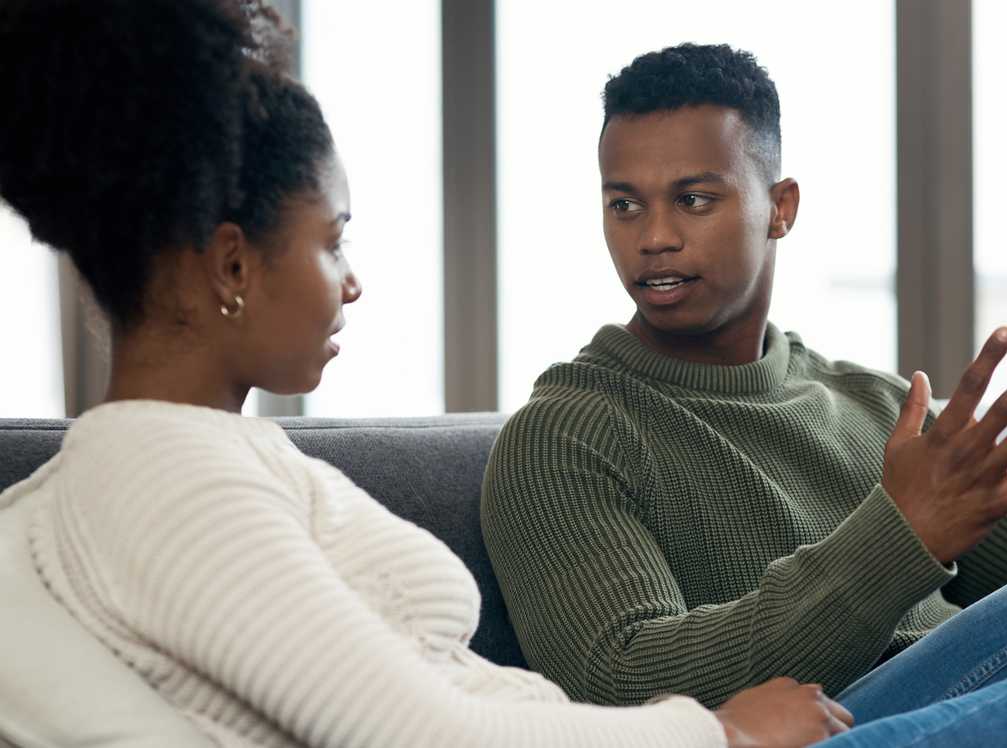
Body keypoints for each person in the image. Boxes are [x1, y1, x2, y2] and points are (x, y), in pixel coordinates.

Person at [0, 2, 856, 746]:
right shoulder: (173, 480)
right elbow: (421, 733)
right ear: (233, 267)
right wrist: (719, 732)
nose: (351, 280)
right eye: (332, 239)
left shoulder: (196, 465)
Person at [480, 42, 1007, 741]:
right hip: (819, 734)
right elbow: (619, 680)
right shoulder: (567, 432)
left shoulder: (876, 406)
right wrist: (900, 538)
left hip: (1003, 705)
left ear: (779, 208)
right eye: (624, 204)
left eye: (693, 200)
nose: (654, 237)